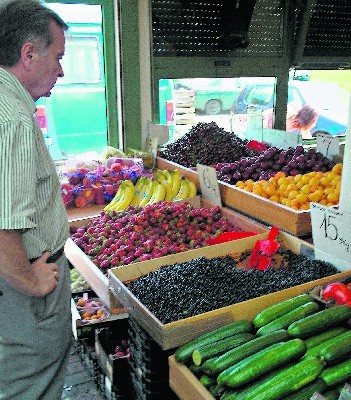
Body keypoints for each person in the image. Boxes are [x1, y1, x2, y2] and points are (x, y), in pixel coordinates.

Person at [0, 1, 72, 399]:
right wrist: (31, 281)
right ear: (29, 54)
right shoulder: (11, 120)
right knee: (31, 384)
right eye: (57, 57)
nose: (61, 70)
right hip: (22, 289)